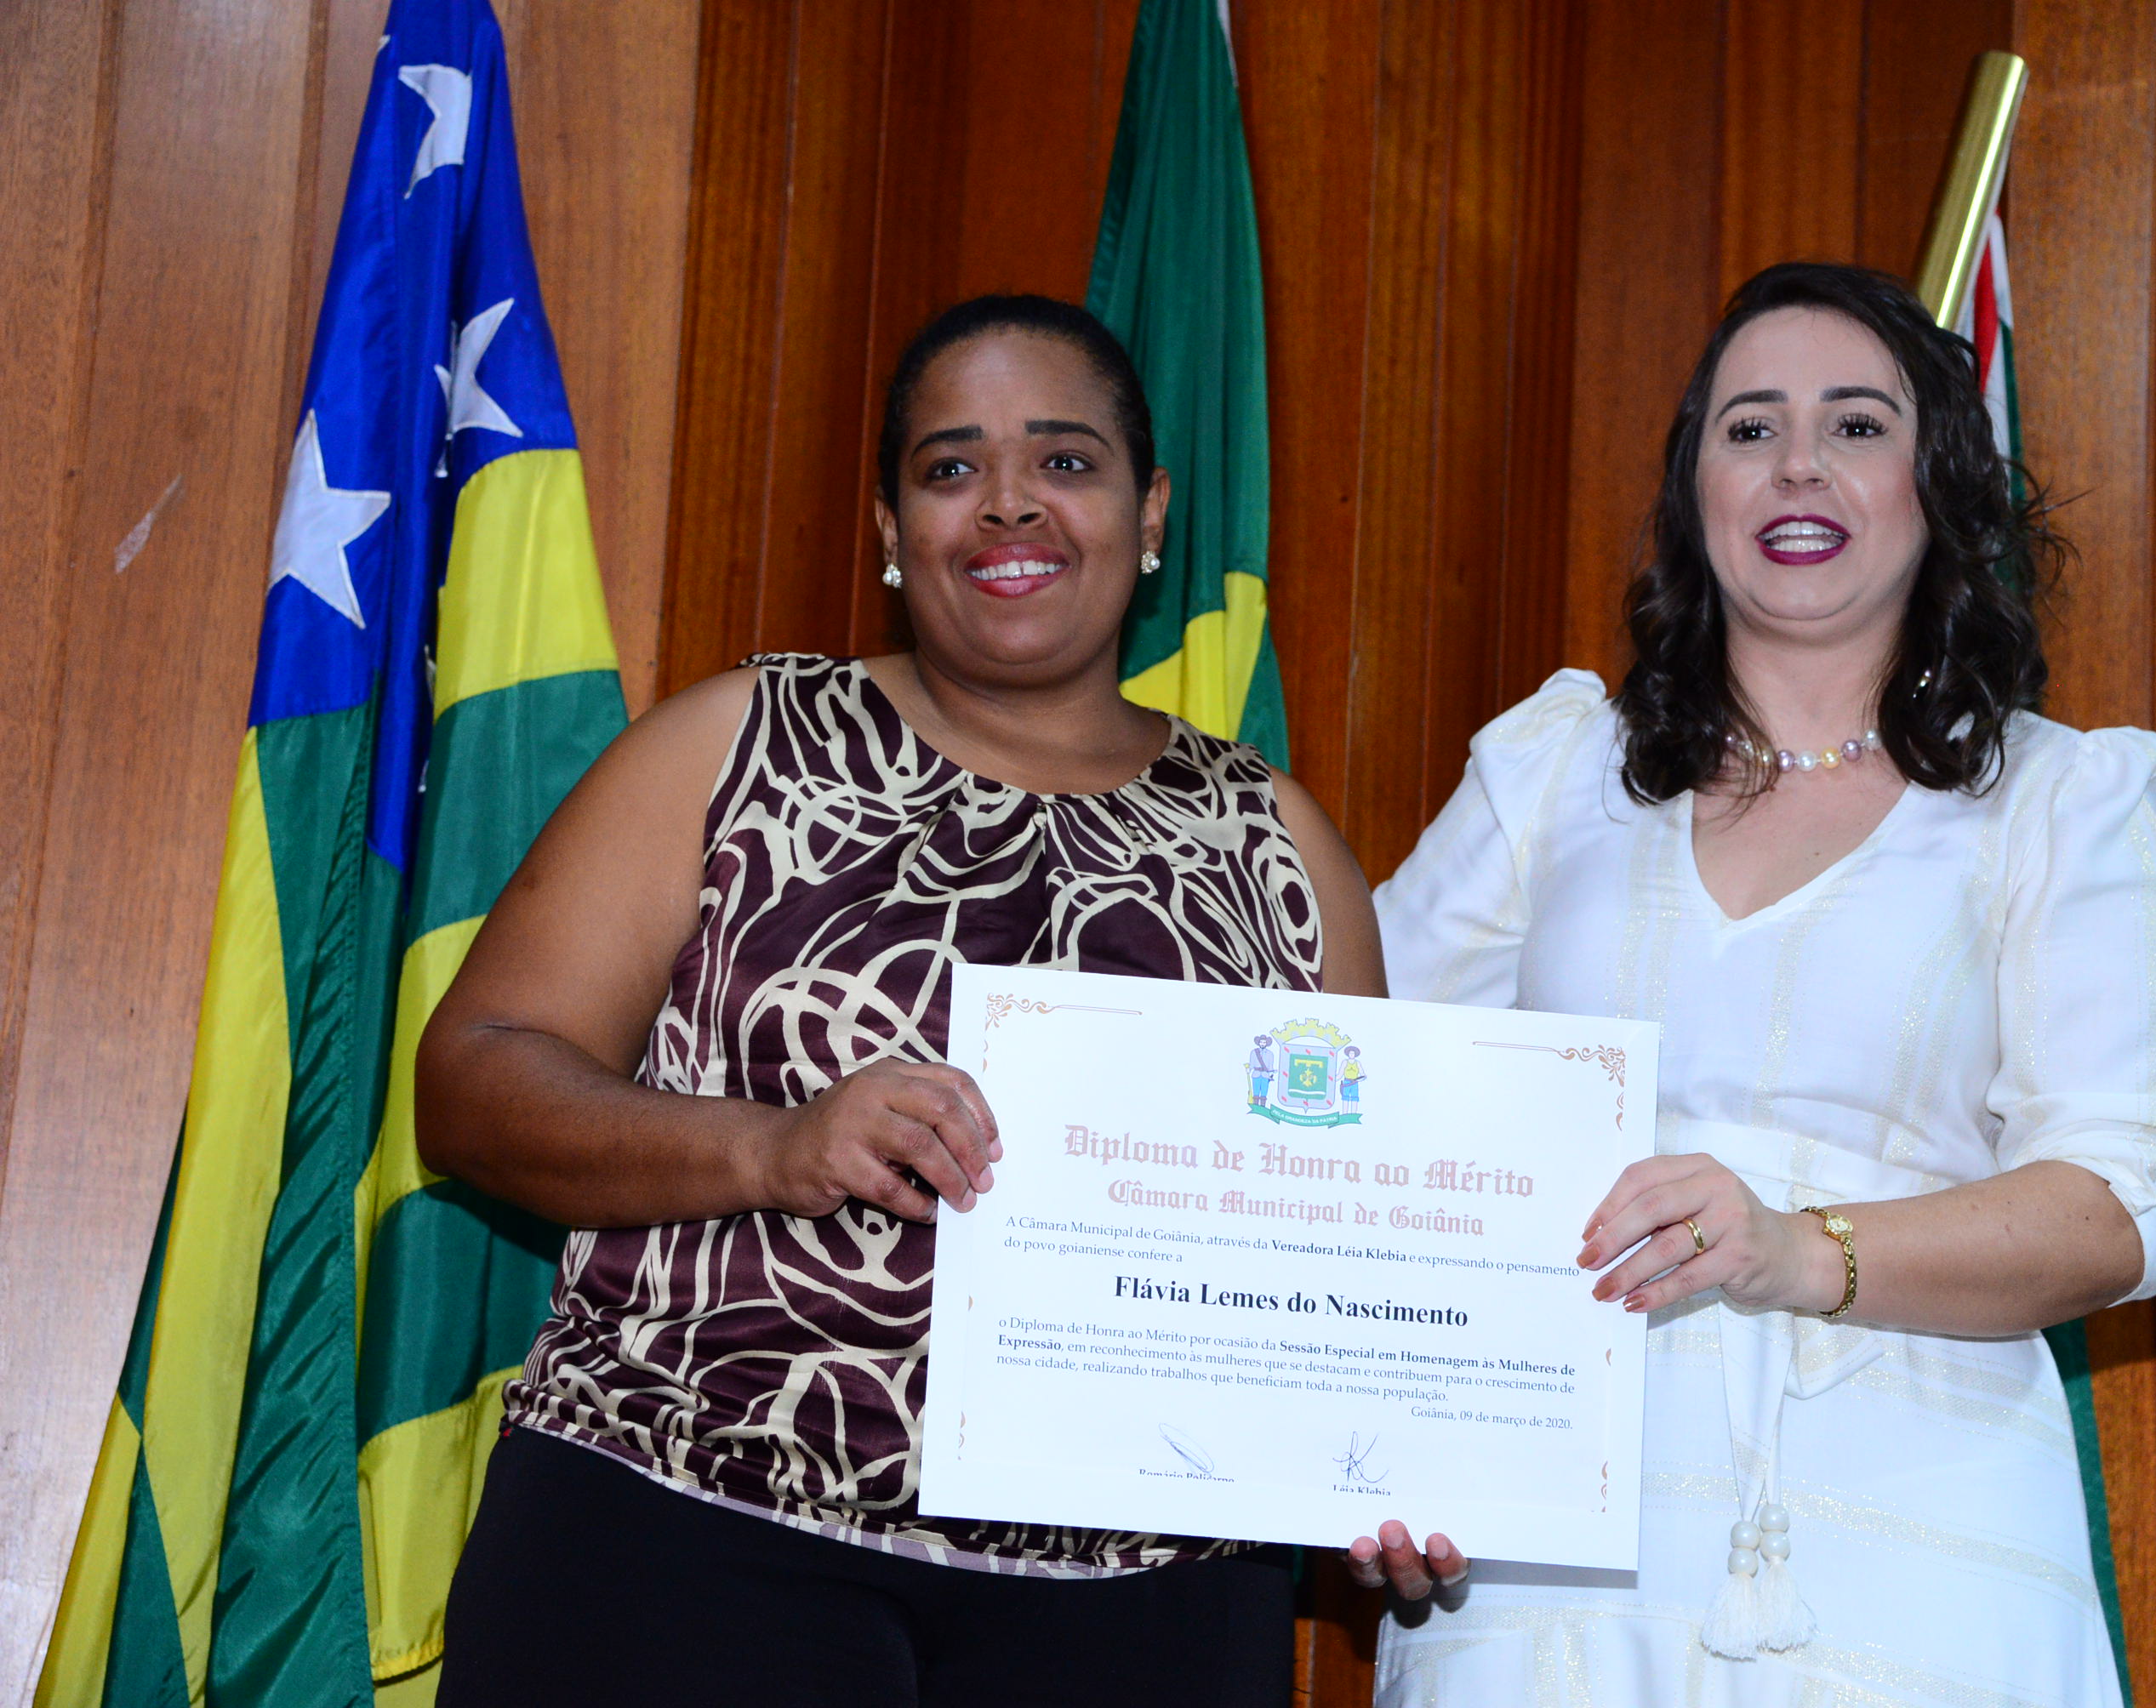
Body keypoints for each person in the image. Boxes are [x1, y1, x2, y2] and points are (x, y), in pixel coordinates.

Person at [417, 294, 1463, 1708]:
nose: (1009, 505)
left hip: (1141, 1613)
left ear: (1151, 513)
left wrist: (1391, 1469)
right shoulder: (738, 743)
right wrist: (772, 1147)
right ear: (892, 528)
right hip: (686, 1539)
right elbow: (475, 1079)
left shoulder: (1280, 847)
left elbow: (1356, 1257)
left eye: (1067, 462)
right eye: (952, 467)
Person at [1361, 262, 2156, 1705]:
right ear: (1695, 492)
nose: (1798, 463)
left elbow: (2128, 1200)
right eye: (1750, 428)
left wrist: (1796, 1249)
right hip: (1545, 1547)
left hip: (1917, 1559)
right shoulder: (1552, 772)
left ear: (1939, 487)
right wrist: (1369, 1438)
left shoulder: (2061, 801)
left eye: (1857, 426)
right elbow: (1363, 1108)